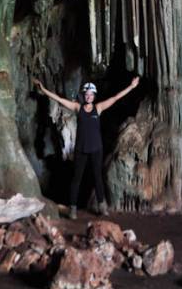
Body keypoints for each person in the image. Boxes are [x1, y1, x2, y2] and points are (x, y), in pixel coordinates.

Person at [33, 75, 140, 219]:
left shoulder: (99, 108)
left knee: (97, 177)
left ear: (94, 96)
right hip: (81, 149)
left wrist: (131, 87)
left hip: (96, 148)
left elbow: (115, 98)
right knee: (76, 178)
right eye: (87, 94)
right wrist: (44, 90)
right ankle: (72, 209)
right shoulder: (78, 107)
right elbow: (60, 100)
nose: (89, 96)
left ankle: (102, 206)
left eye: (91, 94)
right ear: (84, 96)